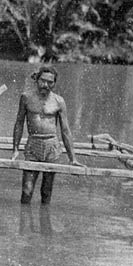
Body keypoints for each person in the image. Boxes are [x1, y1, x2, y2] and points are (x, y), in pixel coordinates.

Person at [12, 65, 82, 204]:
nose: (46, 85)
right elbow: (19, 122)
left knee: (46, 190)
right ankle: (25, 222)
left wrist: (72, 158)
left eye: (50, 82)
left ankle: (43, 221)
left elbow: (65, 130)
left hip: (52, 147)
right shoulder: (26, 97)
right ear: (37, 80)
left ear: (54, 83)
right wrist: (15, 149)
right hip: (33, 145)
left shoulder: (59, 101)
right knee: (27, 190)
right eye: (43, 81)